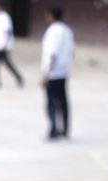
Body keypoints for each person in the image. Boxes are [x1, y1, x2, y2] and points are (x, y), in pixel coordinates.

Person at [41, 6, 74, 140]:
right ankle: (65, 129)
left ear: (51, 16)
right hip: (64, 71)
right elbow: (72, 52)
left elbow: (52, 53)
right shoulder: (67, 31)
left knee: (51, 102)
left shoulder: (53, 31)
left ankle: (54, 129)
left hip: (53, 71)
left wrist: (46, 73)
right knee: (63, 101)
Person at [0, 0, 23, 88]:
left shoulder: (4, 17)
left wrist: (4, 43)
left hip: (3, 44)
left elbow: (7, 31)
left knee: (4, 63)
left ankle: (18, 78)